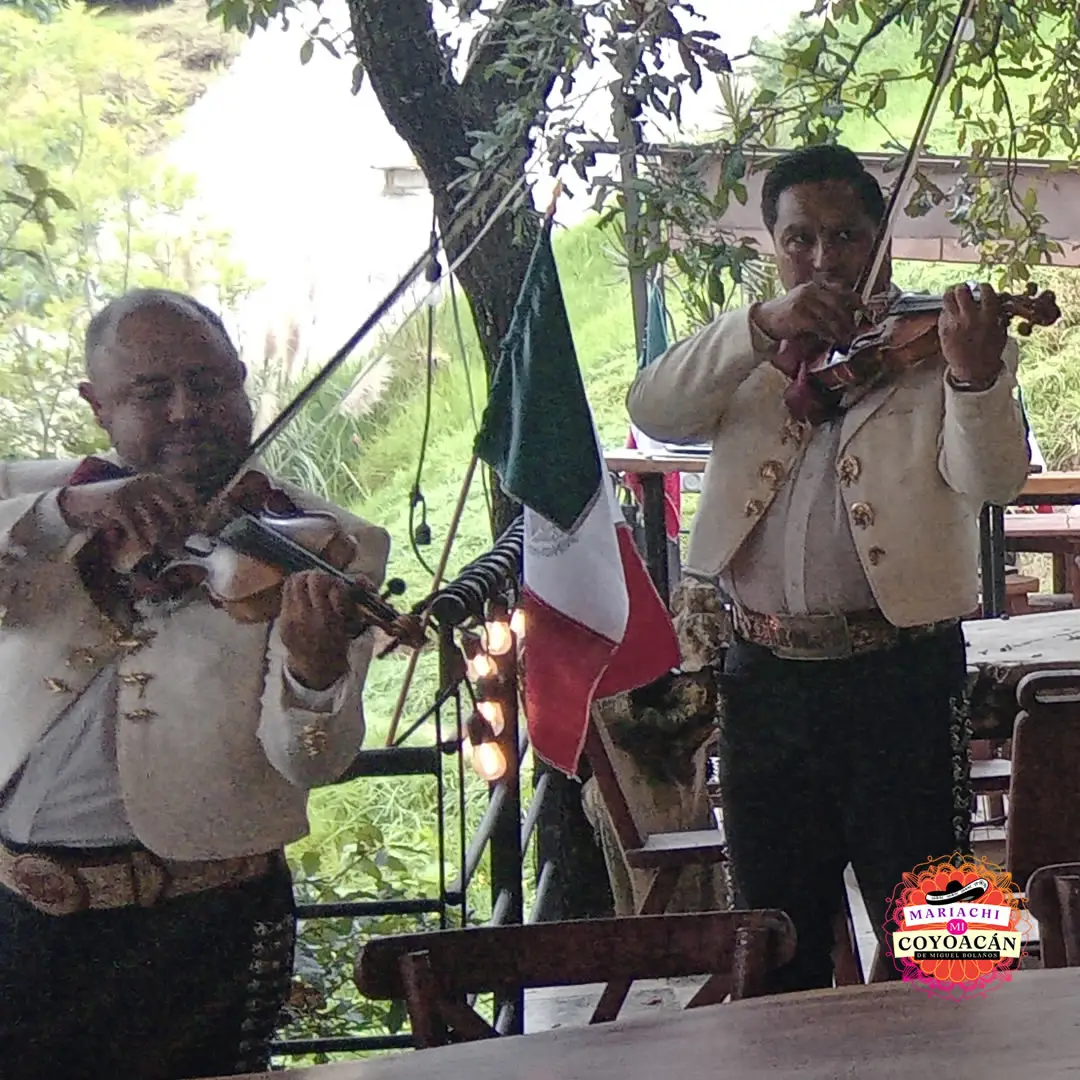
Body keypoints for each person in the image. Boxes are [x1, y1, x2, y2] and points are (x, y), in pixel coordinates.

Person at [627, 144, 1030, 992]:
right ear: (773, 243)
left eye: (844, 236)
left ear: (879, 238)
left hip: (902, 673)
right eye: (799, 238)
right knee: (775, 934)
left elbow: (993, 481)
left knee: (947, 940)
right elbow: (652, 408)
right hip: (763, 675)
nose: (822, 259)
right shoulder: (748, 352)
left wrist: (975, 374)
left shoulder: (940, 348)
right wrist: (759, 327)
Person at [0, 288, 390, 1077]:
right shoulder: (44, 497)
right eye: (150, 393)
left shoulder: (325, 541)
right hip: (17, 916)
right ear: (97, 405)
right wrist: (68, 509)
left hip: (202, 925)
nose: (186, 410)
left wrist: (315, 674)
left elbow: (311, 762)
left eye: (210, 383)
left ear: (243, 381)